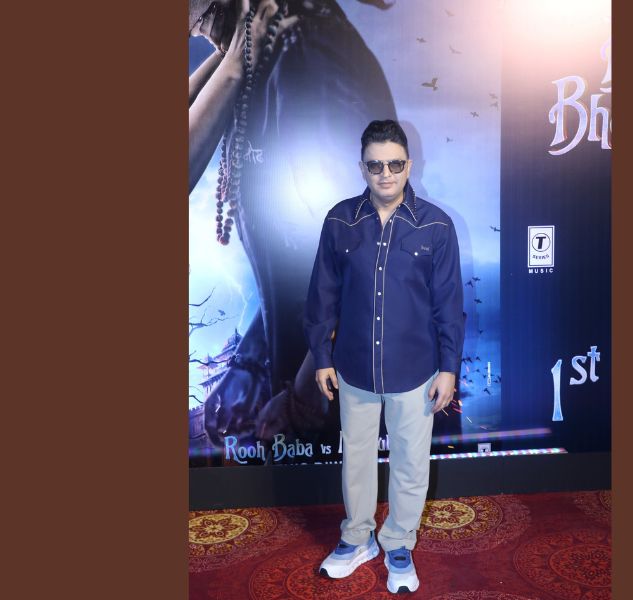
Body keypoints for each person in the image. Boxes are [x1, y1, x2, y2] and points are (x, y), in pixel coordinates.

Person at [188, 0, 399, 453]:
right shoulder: (257, 60)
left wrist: (304, 398)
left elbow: (371, 253)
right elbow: (299, 262)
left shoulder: (304, 51)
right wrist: (252, 360)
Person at [304, 120, 465, 594]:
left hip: (416, 372)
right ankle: (357, 539)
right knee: (355, 460)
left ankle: (397, 543)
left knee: (411, 464)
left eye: (395, 164)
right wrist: (321, 356)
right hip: (353, 368)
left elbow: (449, 304)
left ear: (409, 165)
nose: (386, 174)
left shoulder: (436, 226)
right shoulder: (339, 221)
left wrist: (449, 369)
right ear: (363, 168)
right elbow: (322, 295)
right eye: (375, 165)